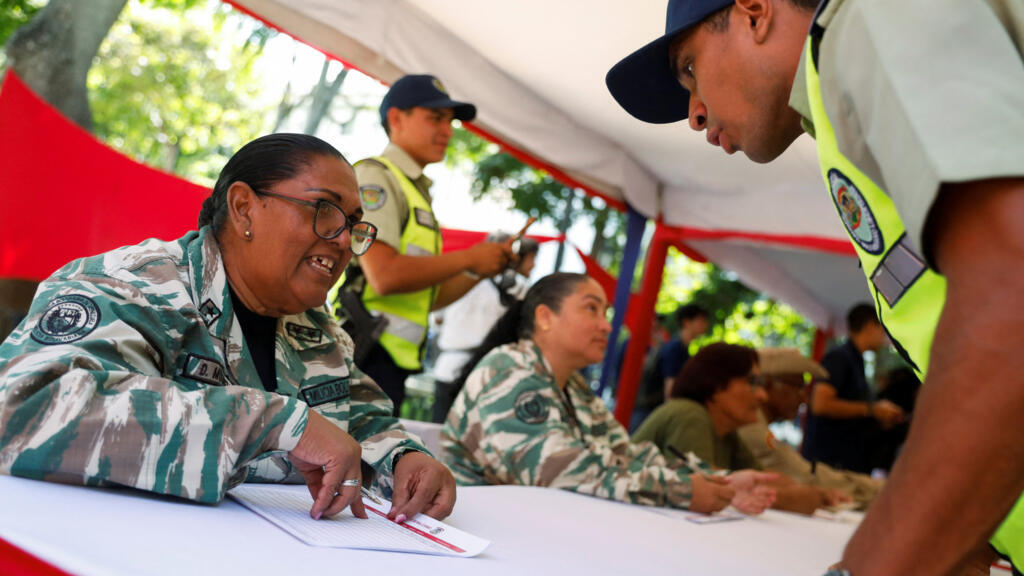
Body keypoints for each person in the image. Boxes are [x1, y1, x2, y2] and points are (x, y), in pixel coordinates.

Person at [607, 0, 1024, 572]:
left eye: (689, 69)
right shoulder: (844, 93)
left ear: (755, 12)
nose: (694, 115)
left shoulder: (874, 20)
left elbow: (1009, 300)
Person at [0, 134, 455, 523]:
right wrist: (272, 423)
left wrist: (405, 459)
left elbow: (361, 418)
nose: (342, 240)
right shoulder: (135, 285)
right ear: (243, 209)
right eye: (325, 210)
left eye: (354, 225)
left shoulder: (317, 330)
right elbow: (21, 408)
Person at [441, 272, 777, 515]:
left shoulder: (573, 386)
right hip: (481, 534)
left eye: (606, 314)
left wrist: (721, 480)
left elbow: (625, 454)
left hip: (531, 528)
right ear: (545, 317)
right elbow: (560, 470)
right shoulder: (509, 368)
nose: (606, 325)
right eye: (592, 309)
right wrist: (681, 491)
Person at [331, 74, 513, 416]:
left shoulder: (414, 190)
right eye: (435, 118)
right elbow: (384, 275)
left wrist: (478, 269)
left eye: (450, 121)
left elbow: (427, 298)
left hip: (390, 362)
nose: (448, 130)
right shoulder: (377, 177)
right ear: (396, 119)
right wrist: (469, 257)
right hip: (366, 356)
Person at [633, 342, 849, 514]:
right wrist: (802, 497)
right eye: (753, 382)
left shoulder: (728, 434)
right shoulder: (689, 414)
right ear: (716, 385)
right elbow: (708, 487)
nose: (762, 395)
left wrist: (817, 493)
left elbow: (766, 478)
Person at [737, 348, 883, 506]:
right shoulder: (752, 427)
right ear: (769, 383)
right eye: (798, 387)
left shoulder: (757, 427)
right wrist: (876, 489)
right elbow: (802, 474)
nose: (804, 398)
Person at [431, 234, 539, 423]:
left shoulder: (454, 278)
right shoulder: (520, 287)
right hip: (489, 375)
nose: (533, 265)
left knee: (439, 437)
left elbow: (437, 320)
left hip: (449, 367)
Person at [801, 304, 903, 474]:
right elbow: (820, 404)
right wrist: (872, 410)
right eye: (882, 329)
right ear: (870, 326)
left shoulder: (857, 361)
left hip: (847, 461)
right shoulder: (840, 357)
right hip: (829, 463)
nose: (884, 336)